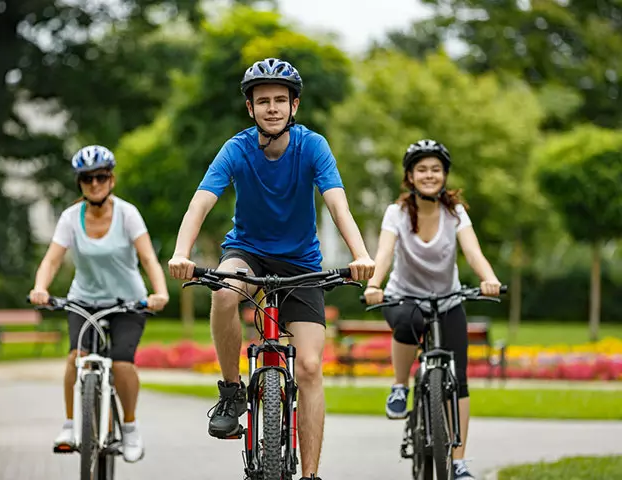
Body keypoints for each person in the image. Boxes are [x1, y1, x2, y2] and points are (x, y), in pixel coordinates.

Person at [168, 58, 375, 480]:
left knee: (311, 368)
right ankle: (230, 392)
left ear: (294, 105)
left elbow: (337, 202)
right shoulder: (236, 148)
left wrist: (361, 254)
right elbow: (201, 201)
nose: (273, 108)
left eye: (281, 100)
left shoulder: (312, 146)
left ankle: (311, 475)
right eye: (263, 101)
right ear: (250, 109)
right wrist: (181, 252)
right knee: (224, 291)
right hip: (248, 251)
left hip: (301, 262)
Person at [363, 139, 502, 480]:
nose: (429, 175)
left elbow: (473, 252)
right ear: (410, 176)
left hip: (447, 300)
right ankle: (400, 386)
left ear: (444, 175)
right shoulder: (396, 213)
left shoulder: (454, 213)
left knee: (462, 381)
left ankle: (458, 461)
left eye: (435, 169)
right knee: (409, 322)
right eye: (421, 169)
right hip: (403, 298)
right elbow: (383, 253)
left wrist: (490, 279)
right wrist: (373, 284)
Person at [28, 145, 169, 463]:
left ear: (112, 180)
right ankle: (68, 426)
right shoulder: (69, 218)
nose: (95, 184)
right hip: (84, 301)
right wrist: (40, 287)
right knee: (75, 358)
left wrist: (159, 293)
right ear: (79, 183)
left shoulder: (127, 214)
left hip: (128, 303)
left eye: (101, 177)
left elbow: (148, 257)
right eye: (87, 178)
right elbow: (52, 260)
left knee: (121, 364)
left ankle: (130, 427)